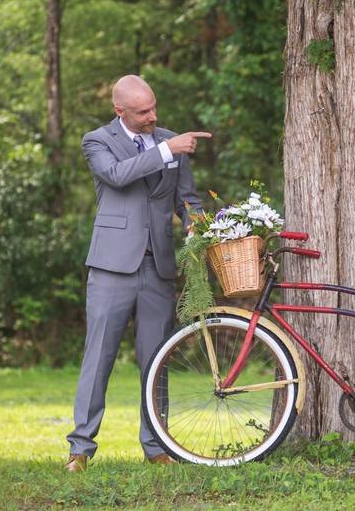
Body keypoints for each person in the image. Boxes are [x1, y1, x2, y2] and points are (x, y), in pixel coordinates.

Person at [65, 75, 211, 472]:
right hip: (112, 266)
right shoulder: (97, 141)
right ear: (120, 111)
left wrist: (196, 225)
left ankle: (156, 446)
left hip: (158, 267)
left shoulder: (169, 139)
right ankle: (80, 448)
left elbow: (188, 200)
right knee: (99, 358)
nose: (153, 116)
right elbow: (116, 175)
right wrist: (166, 149)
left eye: (154, 108)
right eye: (144, 111)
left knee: (156, 359)